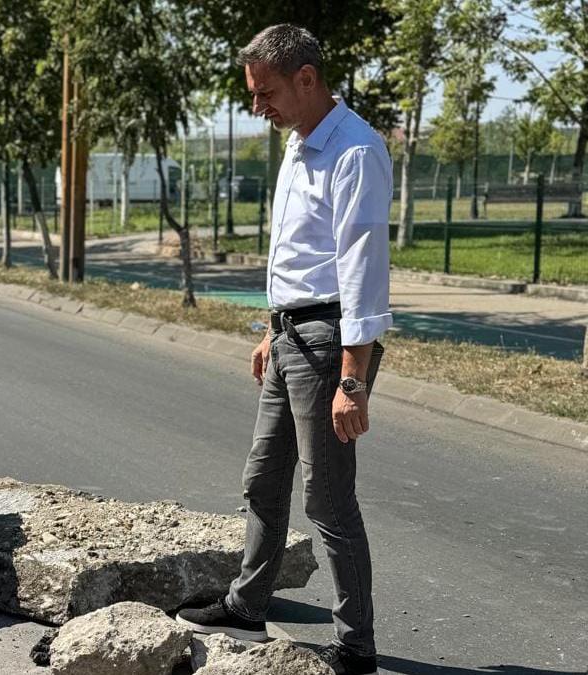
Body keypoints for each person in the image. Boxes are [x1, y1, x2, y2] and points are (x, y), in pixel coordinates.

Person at [175, 24, 391, 675]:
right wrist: (272, 328)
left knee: (327, 498)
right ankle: (248, 599)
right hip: (291, 332)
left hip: (331, 343)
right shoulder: (301, 146)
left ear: (306, 78)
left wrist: (352, 377)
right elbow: (302, 256)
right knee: (263, 477)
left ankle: (356, 644)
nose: (257, 107)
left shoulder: (354, 150)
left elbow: (360, 268)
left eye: (265, 92)